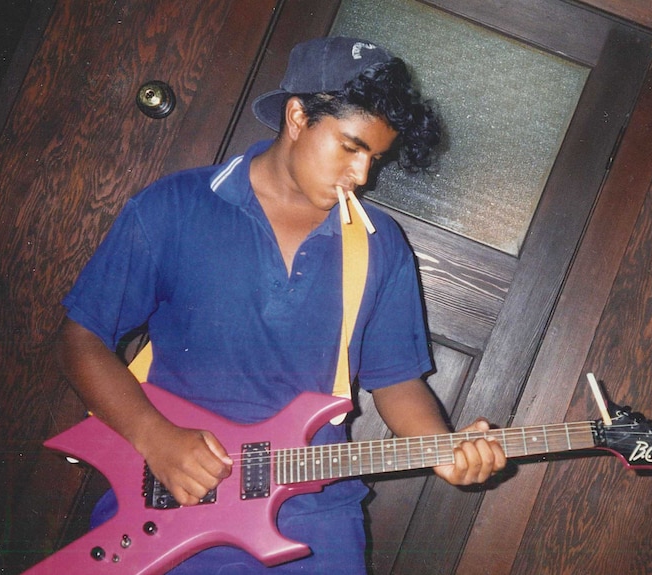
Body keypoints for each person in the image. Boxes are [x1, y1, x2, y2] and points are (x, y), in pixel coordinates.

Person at [57, 36, 506, 574]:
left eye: (375, 158)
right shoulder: (176, 205)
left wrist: (443, 452)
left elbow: (396, 381)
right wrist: (155, 439)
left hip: (316, 523)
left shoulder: (380, 243)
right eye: (350, 146)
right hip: (164, 505)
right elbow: (80, 337)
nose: (363, 175)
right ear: (297, 116)